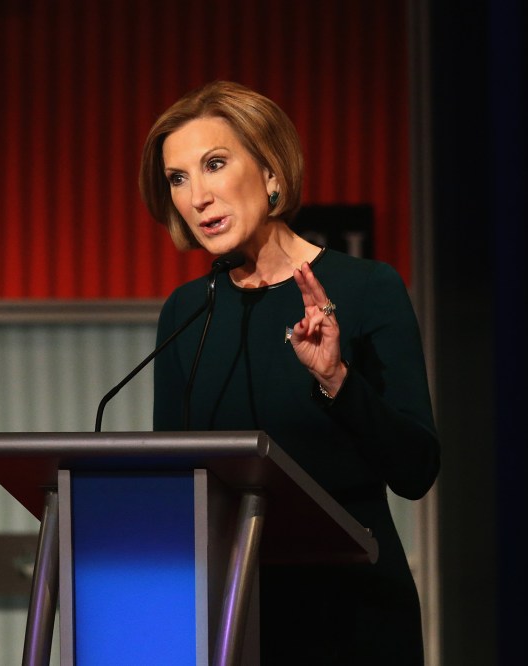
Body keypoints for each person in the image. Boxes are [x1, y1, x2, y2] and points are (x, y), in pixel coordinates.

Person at [140, 80, 440, 664]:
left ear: (272, 173)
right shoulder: (186, 311)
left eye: (215, 164)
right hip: (230, 615)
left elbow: (416, 468)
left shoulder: (367, 289)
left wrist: (337, 380)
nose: (196, 195)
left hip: (352, 615)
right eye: (178, 178)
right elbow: (173, 480)